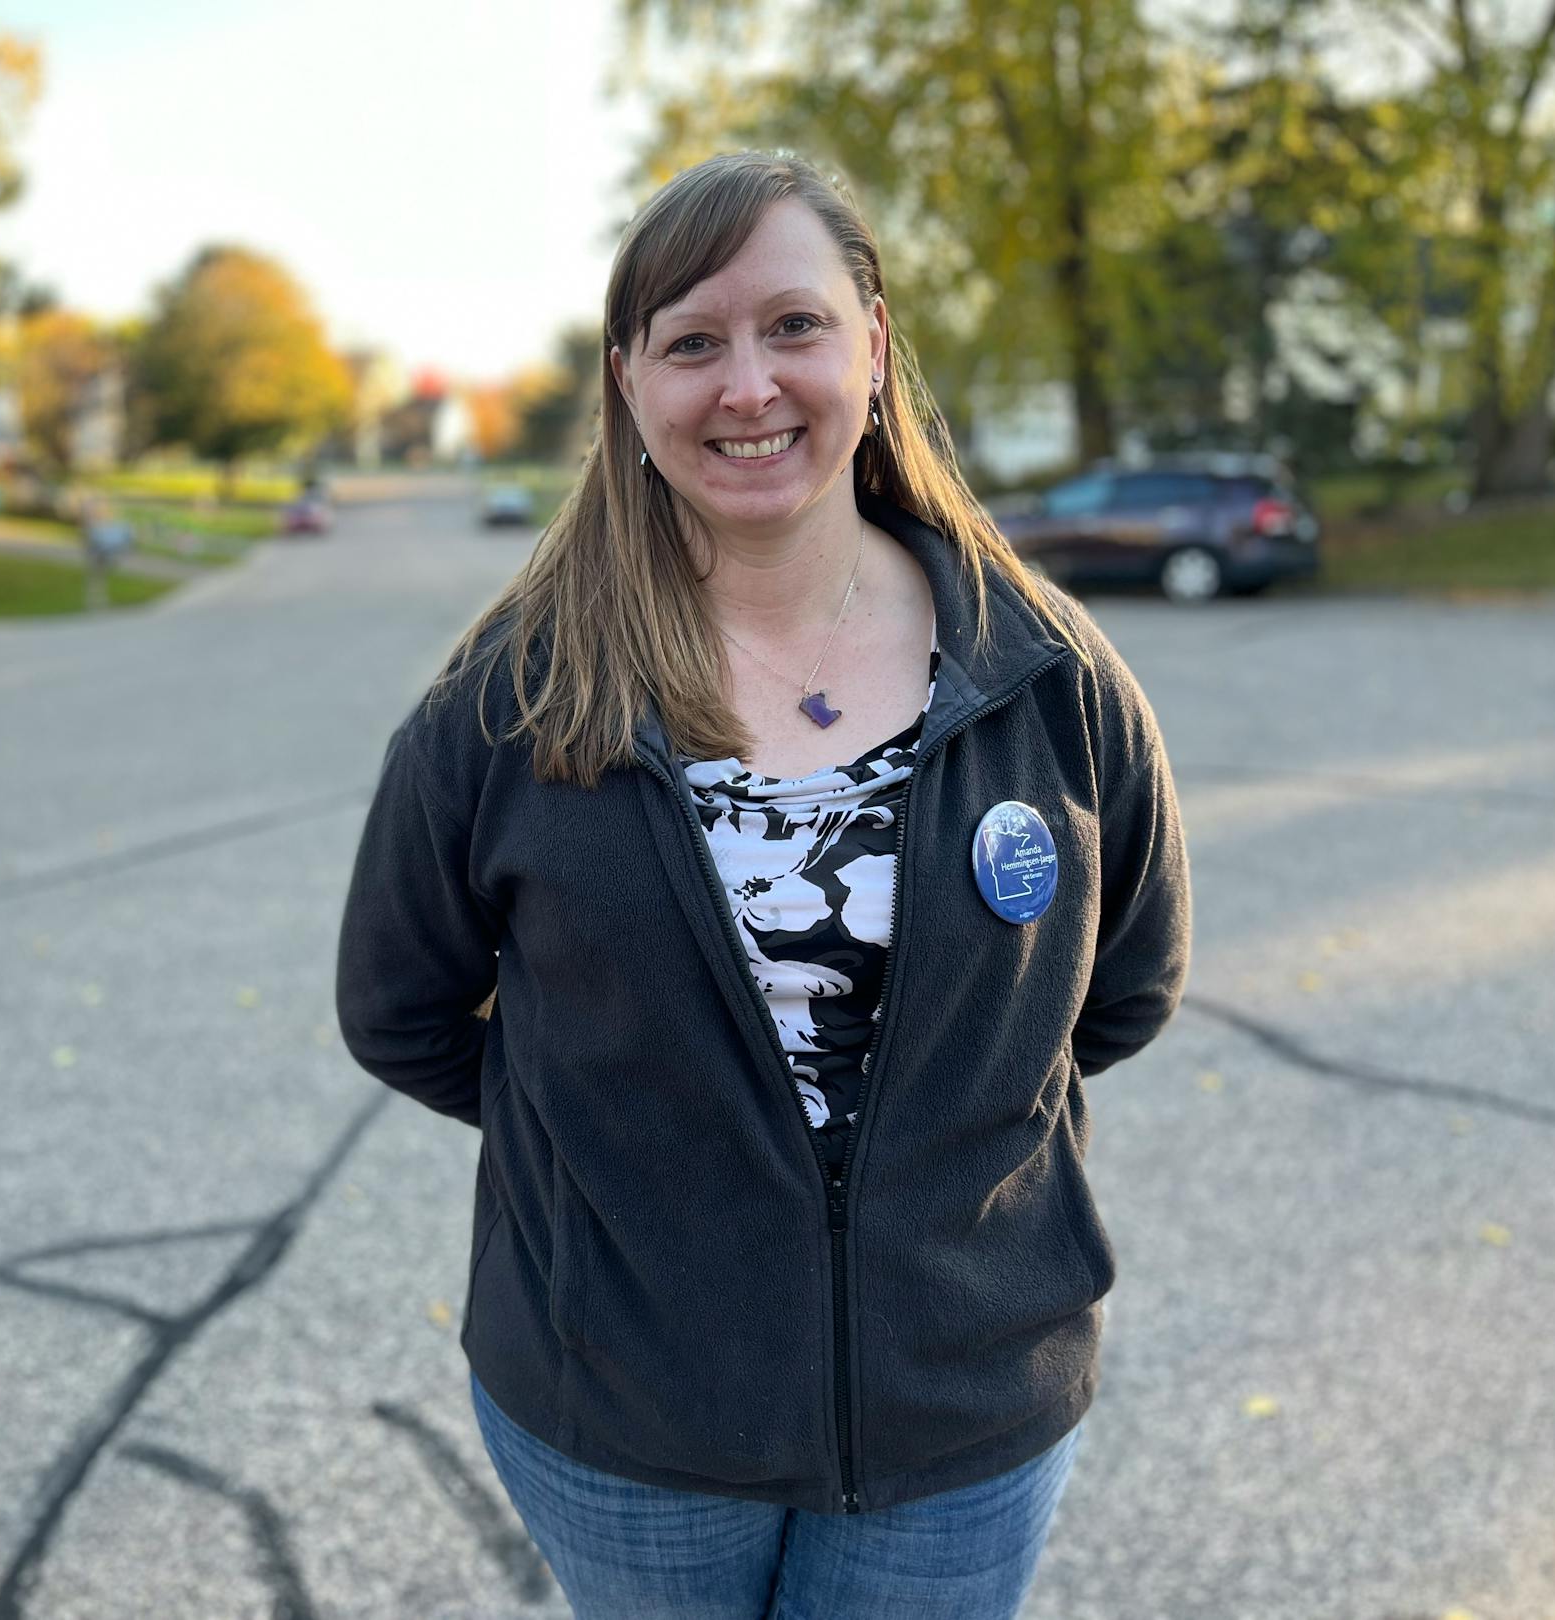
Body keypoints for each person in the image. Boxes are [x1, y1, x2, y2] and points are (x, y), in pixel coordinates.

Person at [335, 150, 1190, 1620]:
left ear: (871, 339)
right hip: (626, 1422)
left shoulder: (1045, 672)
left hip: (963, 1417)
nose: (748, 386)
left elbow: (1121, 989)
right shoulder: (513, 701)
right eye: (692, 342)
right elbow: (400, 1010)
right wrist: (630, 1141)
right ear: (627, 383)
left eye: (792, 325)